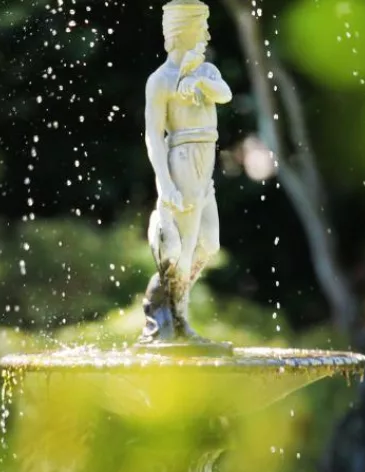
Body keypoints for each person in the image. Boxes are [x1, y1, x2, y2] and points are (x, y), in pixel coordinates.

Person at [140, 0, 232, 343]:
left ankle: (164, 300)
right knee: (186, 245)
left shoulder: (207, 71)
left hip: (206, 162)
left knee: (208, 244)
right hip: (182, 159)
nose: (206, 35)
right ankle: (178, 322)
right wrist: (165, 184)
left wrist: (197, 80)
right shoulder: (160, 81)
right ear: (181, 33)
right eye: (201, 28)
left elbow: (225, 95)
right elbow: (153, 135)